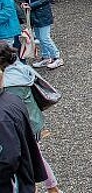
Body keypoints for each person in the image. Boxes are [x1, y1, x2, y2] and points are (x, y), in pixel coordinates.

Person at [2, 46, 60, 193]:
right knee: (34, 155)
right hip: (33, 120)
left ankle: (52, 187)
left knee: (35, 157)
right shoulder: (19, 68)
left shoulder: (9, 84)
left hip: (27, 125)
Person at [17, 0, 61, 70]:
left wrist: (32, 5)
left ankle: (57, 57)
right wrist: (24, 3)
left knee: (45, 37)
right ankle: (46, 56)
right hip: (33, 15)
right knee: (40, 37)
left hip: (42, 14)